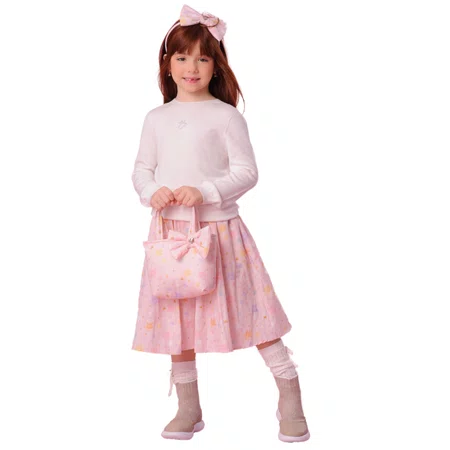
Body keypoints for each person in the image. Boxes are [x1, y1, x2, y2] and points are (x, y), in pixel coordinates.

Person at [130, 4, 310, 443]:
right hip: (170, 236)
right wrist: (152, 191)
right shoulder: (156, 119)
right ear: (167, 64)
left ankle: (290, 396)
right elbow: (141, 170)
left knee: (256, 313)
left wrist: (205, 191)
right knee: (177, 321)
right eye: (182, 57)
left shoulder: (226, 116)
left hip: (220, 233)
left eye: (202, 58)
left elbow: (246, 172)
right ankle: (188, 407)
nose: (191, 67)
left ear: (216, 65)